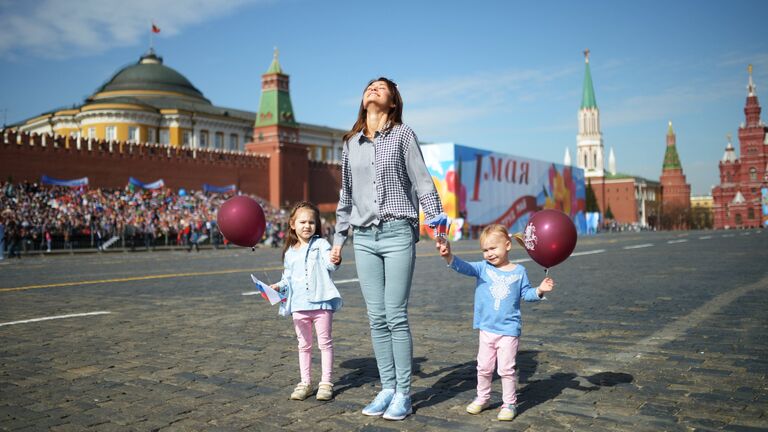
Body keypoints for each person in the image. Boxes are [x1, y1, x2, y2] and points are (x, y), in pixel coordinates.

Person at [330, 77, 444, 421]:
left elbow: (423, 182)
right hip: (363, 237)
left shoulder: (404, 135)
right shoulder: (350, 143)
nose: (373, 89)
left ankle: (404, 394)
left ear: (393, 102)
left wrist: (438, 226)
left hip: (397, 232)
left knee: (395, 315)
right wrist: (338, 241)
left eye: (382, 87)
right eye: (369, 86)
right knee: (376, 318)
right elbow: (346, 196)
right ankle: (387, 388)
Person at [436, 224, 554, 421]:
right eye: (485, 250)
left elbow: (527, 294)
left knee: (506, 369)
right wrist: (448, 256)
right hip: (486, 329)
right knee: (483, 367)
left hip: (508, 330)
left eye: (493, 248)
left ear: (507, 245)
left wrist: (540, 290)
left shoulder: (519, 271)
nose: (489, 254)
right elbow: (463, 266)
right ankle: (483, 398)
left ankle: (509, 403)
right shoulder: (483, 269)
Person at [271, 201, 342, 402]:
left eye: (311, 222)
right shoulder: (290, 252)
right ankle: (305, 382)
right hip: (299, 306)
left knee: (325, 344)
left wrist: (335, 258)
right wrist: (277, 286)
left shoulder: (321, 245)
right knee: (304, 346)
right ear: (292, 224)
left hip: (321, 304)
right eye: (302, 222)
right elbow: (287, 279)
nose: (307, 226)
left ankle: (326, 383)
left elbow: (330, 264)